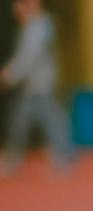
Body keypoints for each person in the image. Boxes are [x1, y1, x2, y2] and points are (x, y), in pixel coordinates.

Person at [2, 0, 72, 174]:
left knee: (49, 120)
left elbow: (28, 57)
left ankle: (62, 157)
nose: (16, 12)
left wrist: (11, 74)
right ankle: (13, 158)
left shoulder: (38, 27)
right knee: (22, 120)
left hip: (40, 83)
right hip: (35, 84)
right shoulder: (36, 26)